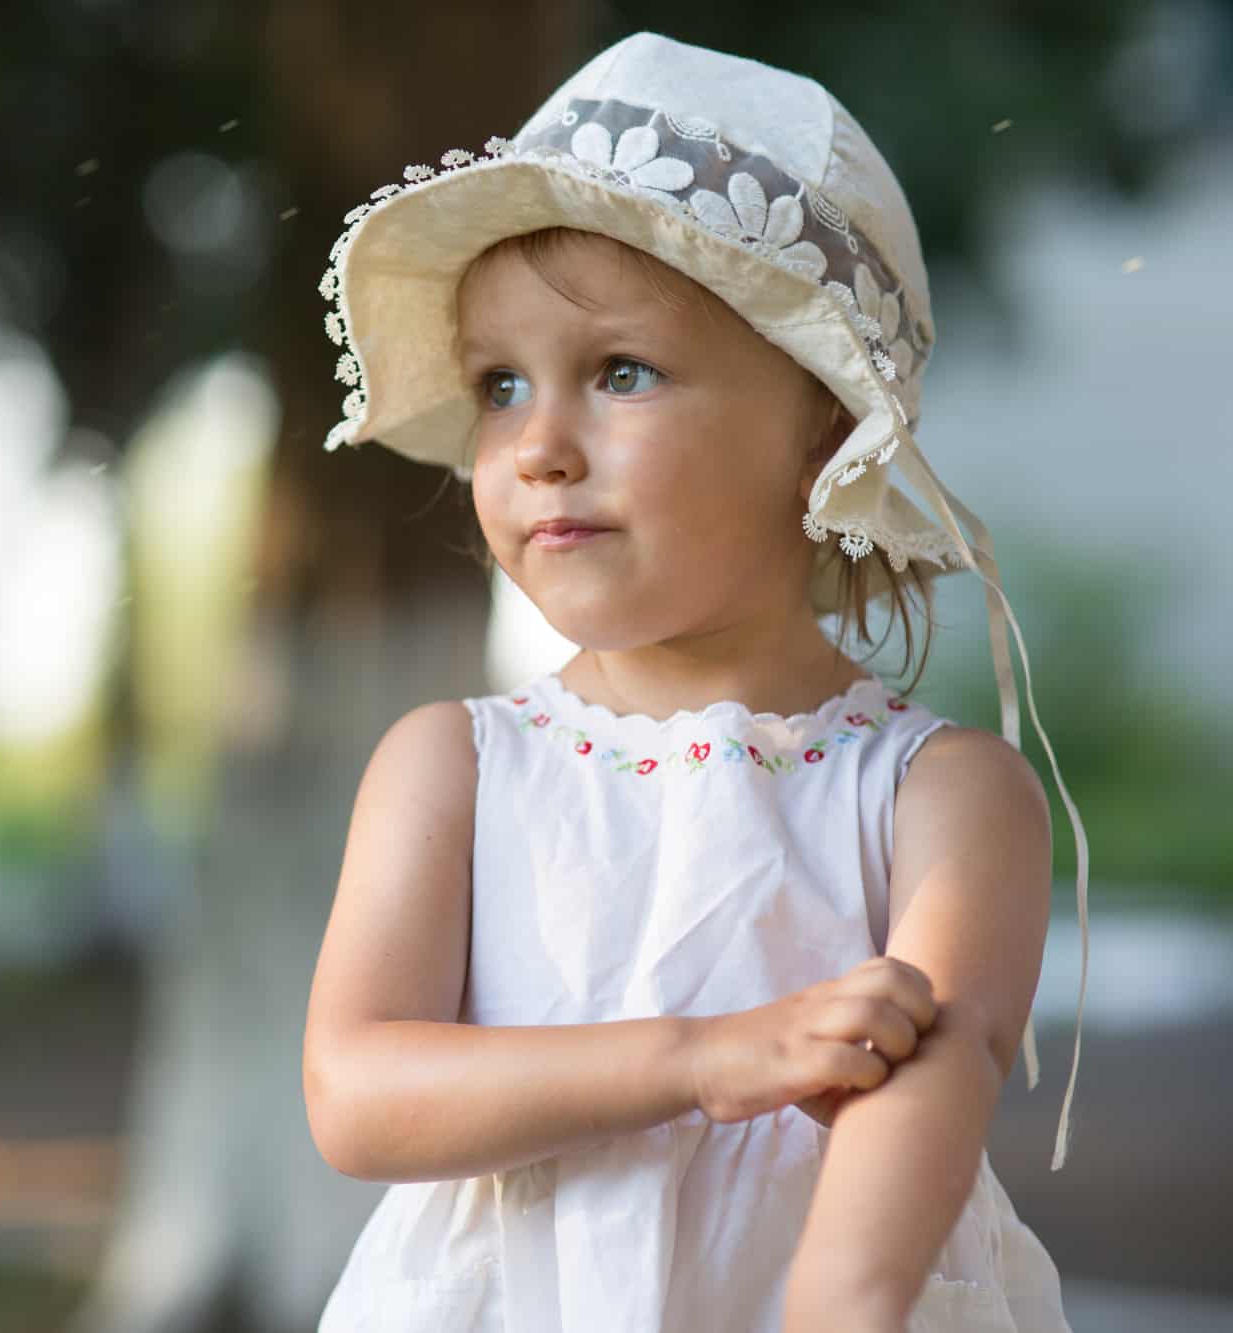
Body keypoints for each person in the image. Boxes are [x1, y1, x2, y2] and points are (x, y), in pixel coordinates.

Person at [301, 31, 1090, 1333]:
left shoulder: (940, 798)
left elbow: (906, 1151)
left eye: (620, 372)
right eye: (501, 384)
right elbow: (358, 1088)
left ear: (820, 429)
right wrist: (704, 1055)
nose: (540, 445)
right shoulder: (455, 764)